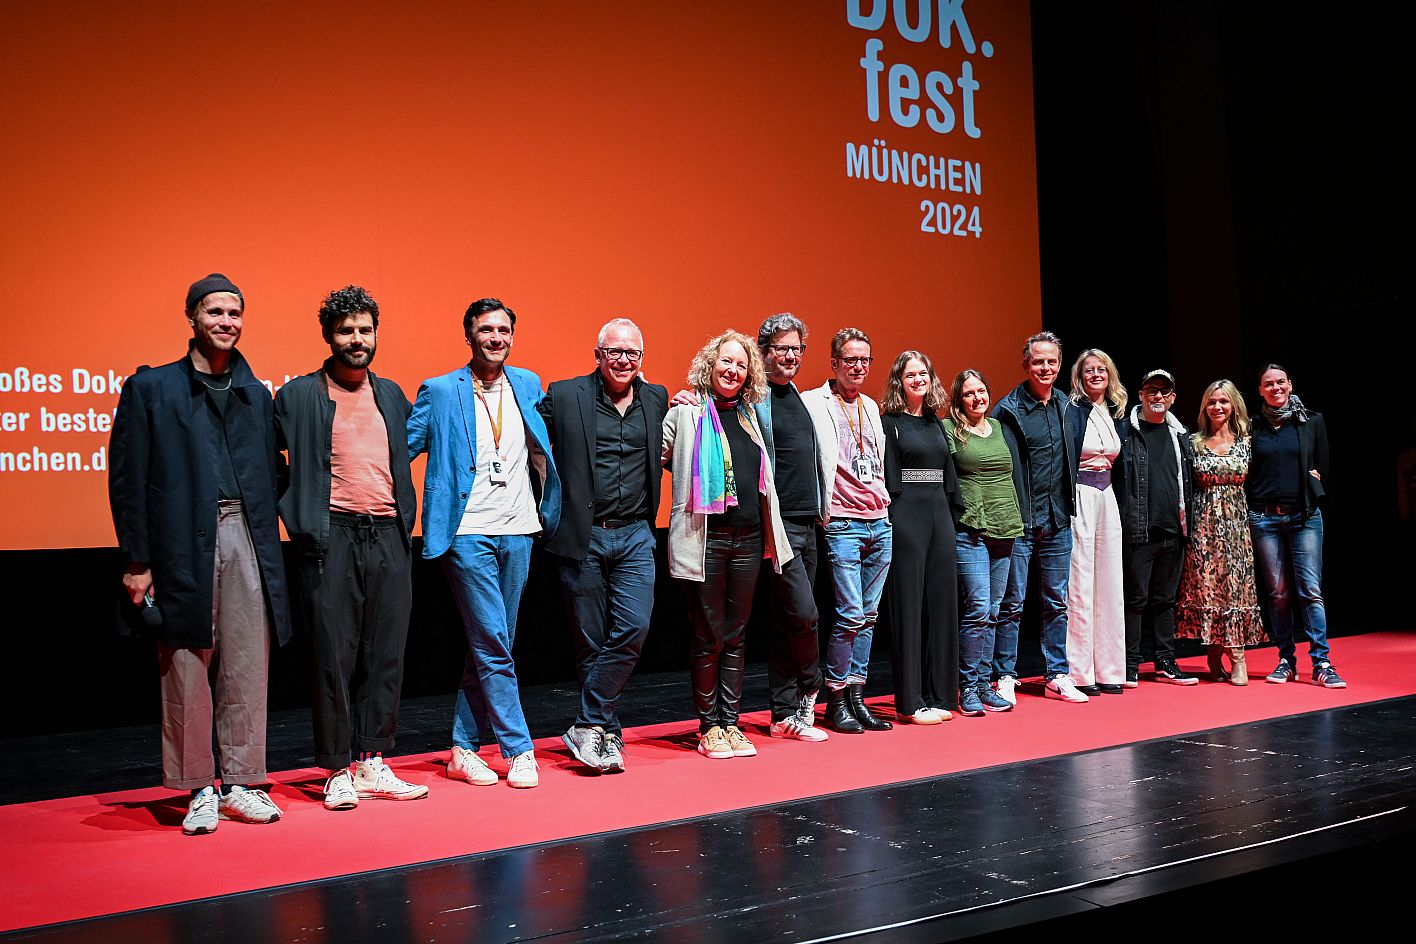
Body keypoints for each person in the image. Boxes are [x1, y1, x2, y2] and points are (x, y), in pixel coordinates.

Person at [109, 273, 291, 834]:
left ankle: (242, 782)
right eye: (215, 312)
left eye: (234, 313)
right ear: (192, 317)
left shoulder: (255, 393)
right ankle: (198, 789)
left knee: (247, 661)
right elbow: (128, 480)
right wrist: (138, 560)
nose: (226, 322)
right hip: (180, 541)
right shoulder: (152, 388)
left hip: (246, 533)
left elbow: (274, 472)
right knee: (186, 664)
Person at [274, 285, 426, 810]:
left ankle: (372, 761)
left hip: (388, 534)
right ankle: (337, 767)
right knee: (333, 657)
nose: (357, 339)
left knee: (386, 655)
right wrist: (294, 509)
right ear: (329, 336)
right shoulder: (297, 396)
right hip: (330, 536)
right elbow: (267, 461)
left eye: (365, 330)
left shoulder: (392, 395)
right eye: (346, 331)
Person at [408, 298, 562, 788]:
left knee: (493, 644)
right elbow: (401, 448)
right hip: (467, 531)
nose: (496, 338)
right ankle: (519, 749)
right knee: (494, 643)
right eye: (486, 330)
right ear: (469, 336)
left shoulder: (528, 384)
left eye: (503, 330)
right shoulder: (439, 390)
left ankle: (463, 748)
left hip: (519, 528)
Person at [538, 318, 667, 773]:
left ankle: (588, 723)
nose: (623, 360)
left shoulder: (657, 398)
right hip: (584, 534)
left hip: (635, 533)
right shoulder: (565, 395)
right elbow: (524, 436)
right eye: (615, 351)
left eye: (632, 353)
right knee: (590, 642)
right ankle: (606, 733)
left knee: (633, 629)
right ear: (598, 355)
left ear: (642, 359)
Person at [663, 330, 793, 759]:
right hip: (707, 538)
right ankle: (708, 727)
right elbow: (654, 457)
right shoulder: (686, 413)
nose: (733, 370)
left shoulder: (749, 416)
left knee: (736, 636)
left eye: (741, 364)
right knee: (709, 635)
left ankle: (730, 723)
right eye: (726, 361)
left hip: (749, 538)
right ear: (710, 364)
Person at [803, 328, 895, 732]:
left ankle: (858, 696)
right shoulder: (813, 402)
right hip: (842, 522)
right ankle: (835, 698)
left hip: (879, 522)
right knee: (850, 615)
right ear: (834, 363)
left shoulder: (871, 406)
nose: (858, 367)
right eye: (851, 359)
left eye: (865, 360)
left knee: (869, 616)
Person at [992, 332, 1087, 704]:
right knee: (1011, 604)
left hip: (1058, 519)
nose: (1045, 368)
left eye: (1051, 361)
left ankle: (1057, 674)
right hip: (1020, 522)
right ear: (1025, 365)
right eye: (1038, 361)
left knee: (1056, 603)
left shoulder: (1067, 406)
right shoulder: (1008, 409)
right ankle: (1004, 675)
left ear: (1059, 365)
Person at [1246, 365, 1344, 687]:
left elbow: (1324, 466)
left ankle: (1322, 663)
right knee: (1278, 593)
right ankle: (1286, 660)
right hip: (1265, 518)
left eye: (1280, 382)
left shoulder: (1311, 420)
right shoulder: (1252, 426)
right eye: (1268, 384)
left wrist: (1316, 480)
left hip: (1304, 516)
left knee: (1311, 591)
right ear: (1260, 390)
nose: (1275, 388)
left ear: (1290, 384)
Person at [880, 351, 960, 723]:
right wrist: (895, 516)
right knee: (909, 607)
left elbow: (948, 475)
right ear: (899, 381)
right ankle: (910, 702)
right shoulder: (889, 422)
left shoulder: (935, 422)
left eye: (923, 373)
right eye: (911, 374)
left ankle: (942, 695)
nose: (918, 379)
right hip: (906, 513)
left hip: (939, 513)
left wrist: (949, 514)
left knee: (943, 604)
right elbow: (890, 475)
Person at [1174, 380, 1266, 685]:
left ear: (1234, 406)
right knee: (1208, 588)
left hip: (1236, 529)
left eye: (1223, 401)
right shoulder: (1193, 442)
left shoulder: (1247, 442)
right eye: (1212, 402)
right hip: (1203, 528)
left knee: (1235, 590)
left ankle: (1237, 656)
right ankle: (1213, 655)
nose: (1217, 407)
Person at [1114, 369, 1197, 686]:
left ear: (1172, 398)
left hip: (1173, 531)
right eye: (1152, 390)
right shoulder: (1126, 432)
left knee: (1165, 601)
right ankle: (1129, 664)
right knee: (1135, 600)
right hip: (1139, 532)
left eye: (1164, 391)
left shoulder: (1180, 435)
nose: (1158, 396)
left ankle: (1165, 662)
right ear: (1141, 395)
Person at [944, 370, 1019, 715]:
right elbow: (936, 473)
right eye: (969, 393)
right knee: (977, 608)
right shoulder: (949, 429)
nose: (977, 398)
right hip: (970, 527)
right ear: (959, 400)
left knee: (993, 609)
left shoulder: (999, 428)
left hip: (1005, 524)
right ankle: (968, 687)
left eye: (981, 391)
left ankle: (986, 684)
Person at [1063, 350, 1127, 695]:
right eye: (1089, 370)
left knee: (1110, 581)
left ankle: (1110, 669)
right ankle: (1080, 672)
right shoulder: (1072, 411)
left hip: (1108, 496)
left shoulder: (1116, 413)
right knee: (1080, 582)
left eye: (1102, 369)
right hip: (1081, 494)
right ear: (1080, 376)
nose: (1096, 374)